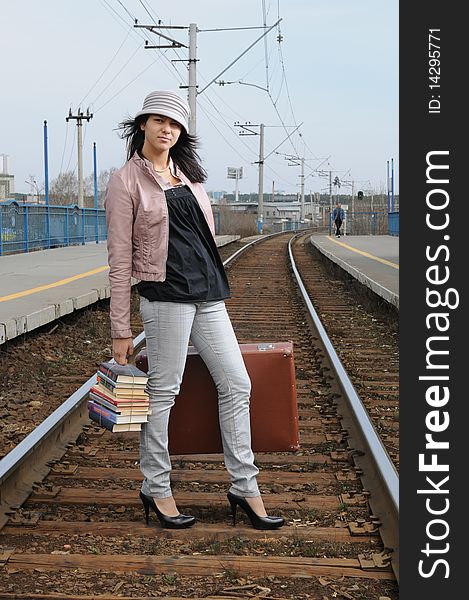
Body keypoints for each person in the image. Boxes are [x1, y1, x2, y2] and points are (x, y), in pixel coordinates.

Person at [104, 90, 284, 531]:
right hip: (166, 296)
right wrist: (121, 329)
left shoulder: (190, 175)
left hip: (206, 293)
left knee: (237, 383)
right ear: (142, 123)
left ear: (181, 132)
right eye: (159, 120)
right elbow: (119, 261)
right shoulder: (125, 181)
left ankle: (244, 485)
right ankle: (157, 485)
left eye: (175, 123)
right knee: (164, 392)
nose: (167, 128)